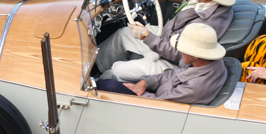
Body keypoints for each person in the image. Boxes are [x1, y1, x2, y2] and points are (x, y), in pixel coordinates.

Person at [95, 0, 235, 81]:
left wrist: (146, 36)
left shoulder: (206, 25)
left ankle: (98, 83)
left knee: (118, 70)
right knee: (122, 34)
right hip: (166, 36)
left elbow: (182, 54)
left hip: (173, 61)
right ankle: (95, 67)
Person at [96, 23, 228, 105]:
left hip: (156, 102)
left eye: (183, 48)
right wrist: (145, 83)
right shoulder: (207, 62)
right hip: (161, 92)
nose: (179, 51)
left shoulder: (196, 87)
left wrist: (140, 90)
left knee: (108, 85)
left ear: (195, 55)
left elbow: (162, 103)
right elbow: (174, 73)